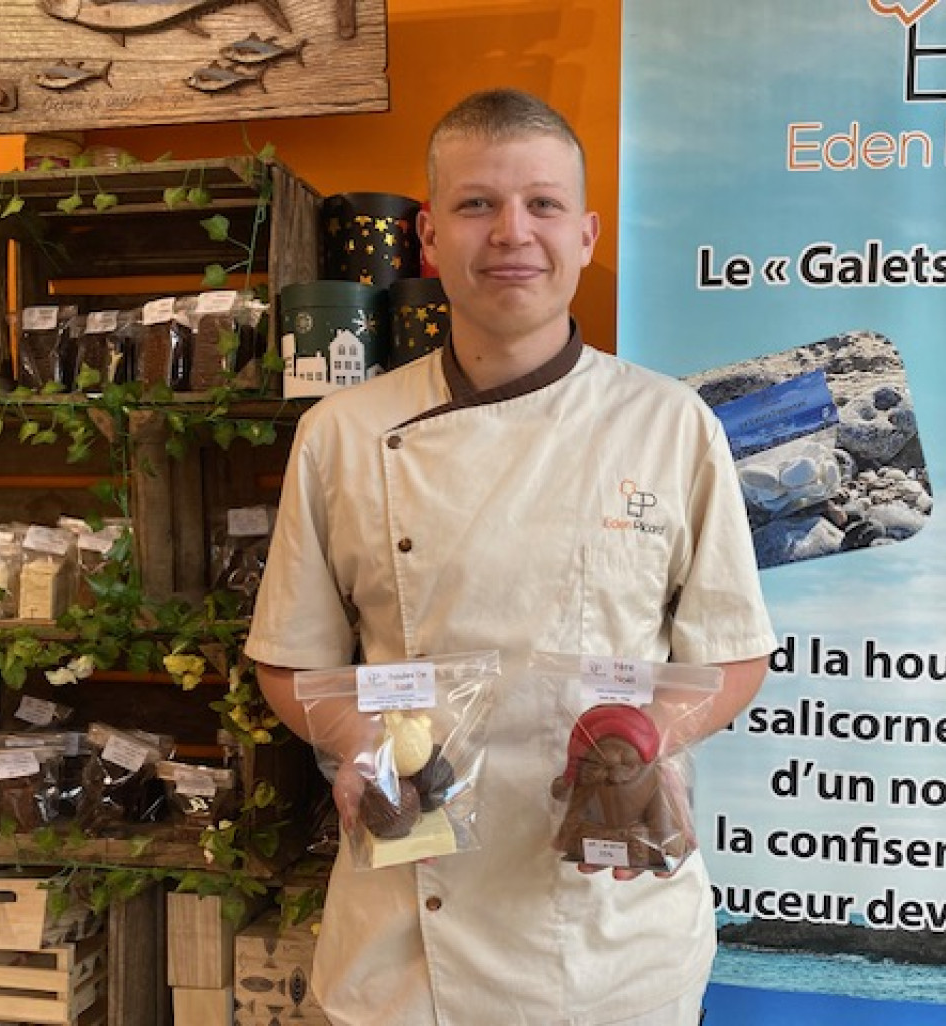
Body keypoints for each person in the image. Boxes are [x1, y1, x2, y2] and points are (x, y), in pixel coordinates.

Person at [245, 87, 776, 1026]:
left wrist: (647, 740)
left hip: (611, 922)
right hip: (406, 929)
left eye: (543, 205)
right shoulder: (342, 433)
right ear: (429, 241)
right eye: (476, 204)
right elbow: (294, 659)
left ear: (585, 235)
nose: (511, 233)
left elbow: (731, 653)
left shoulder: (671, 425)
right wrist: (361, 744)